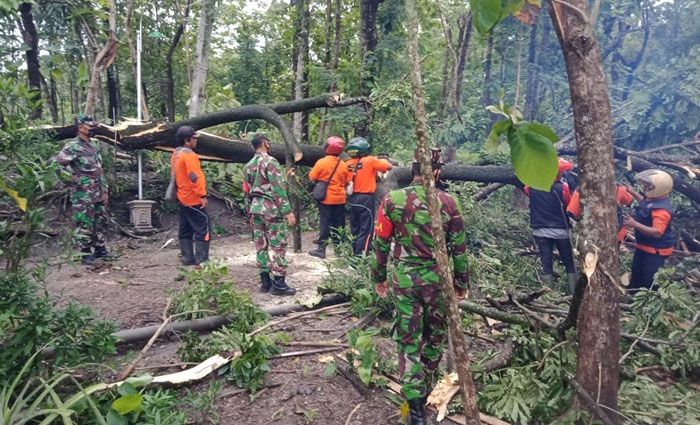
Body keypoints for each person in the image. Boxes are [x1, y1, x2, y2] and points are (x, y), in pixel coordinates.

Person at [371, 148, 469, 425]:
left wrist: (378, 277)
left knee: (408, 340)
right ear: (437, 172)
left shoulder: (393, 200)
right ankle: (422, 392)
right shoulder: (449, 203)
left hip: (405, 282)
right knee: (434, 337)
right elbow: (460, 250)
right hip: (438, 283)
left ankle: (416, 410)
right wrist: (462, 283)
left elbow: (380, 243)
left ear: (413, 170)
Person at [243, 133, 297, 296]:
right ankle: (279, 284)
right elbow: (278, 188)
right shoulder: (271, 162)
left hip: (255, 209)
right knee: (278, 246)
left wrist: (248, 211)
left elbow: (246, 191)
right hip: (271, 209)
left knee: (261, 246)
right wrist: (287, 211)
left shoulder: (248, 166)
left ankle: (265, 282)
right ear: (266, 143)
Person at [56, 114, 111, 265]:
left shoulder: (94, 145)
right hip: (83, 194)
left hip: (98, 191)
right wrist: (74, 182)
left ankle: (100, 248)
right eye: (90, 127)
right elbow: (58, 167)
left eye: (94, 127)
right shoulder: (72, 146)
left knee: (101, 221)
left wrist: (105, 189)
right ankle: (85, 253)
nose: (93, 129)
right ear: (80, 128)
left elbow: (100, 169)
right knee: (84, 222)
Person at [525, 158, 577, 293]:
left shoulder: (532, 186)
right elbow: (569, 204)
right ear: (559, 174)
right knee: (569, 263)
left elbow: (526, 188)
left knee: (546, 264)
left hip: (540, 231)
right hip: (561, 231)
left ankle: (548, 295)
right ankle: (573, 294)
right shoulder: (563, 188)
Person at [622, 169, 675, 291]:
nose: (645, 187)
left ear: (658, 188)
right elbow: (645, 204)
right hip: (644, 246)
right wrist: (634, 193)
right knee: (636, 273)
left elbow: (657, 232)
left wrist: (635, 224)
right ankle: (633, 298)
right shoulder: (654, 200)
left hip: (656, 250)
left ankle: (650, 301)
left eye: (649, 185)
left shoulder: (662, 210)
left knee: (649, 278)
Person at [345, 137, 393, 256]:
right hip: (365, 198)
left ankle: (355, 254)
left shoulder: (347, 164)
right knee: (366, 229)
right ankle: (362, 255)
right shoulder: (369, 160)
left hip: (352, 199)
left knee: (355, 227)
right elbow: (387, 166)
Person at [171, 126, 210, 266]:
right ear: (187, 140)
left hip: (182, 197)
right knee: (203, 227)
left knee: (185, 228)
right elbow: (194, 177)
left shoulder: (176, 154)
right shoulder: (189, 155)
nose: (196, 141)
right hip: (193, 199)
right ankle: (202, 260)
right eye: (194, 138)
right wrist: (202, 195)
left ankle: (187, 258)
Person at [308, 136, 351, 259]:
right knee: (339, 224)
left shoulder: (321, 162)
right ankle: (339, 250)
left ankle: (321, 249)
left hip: (326, 198)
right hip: (340, 199)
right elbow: (347, 181)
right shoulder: (343, 164)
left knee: (325, 223)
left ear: (327, 148)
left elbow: (312, 177)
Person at [567, 183, 635, 242]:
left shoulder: (581, 189)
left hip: (591, 232)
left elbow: (572, 213)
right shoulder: (618, 188)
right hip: (615, 233)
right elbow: (630, 201)